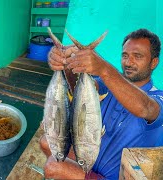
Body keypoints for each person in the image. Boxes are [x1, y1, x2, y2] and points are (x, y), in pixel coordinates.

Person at [40, 28, 163, 179]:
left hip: (113, 176)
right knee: (46, 142)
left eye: (137, 56)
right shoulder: (109, 84)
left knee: (53, 167)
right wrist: (66, 63)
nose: (128, 62)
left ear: (154, 62)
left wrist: (104, 68)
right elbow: (78, 89)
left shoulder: (157, 97)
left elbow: (146, 108)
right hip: (90, 157)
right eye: (125, 56)